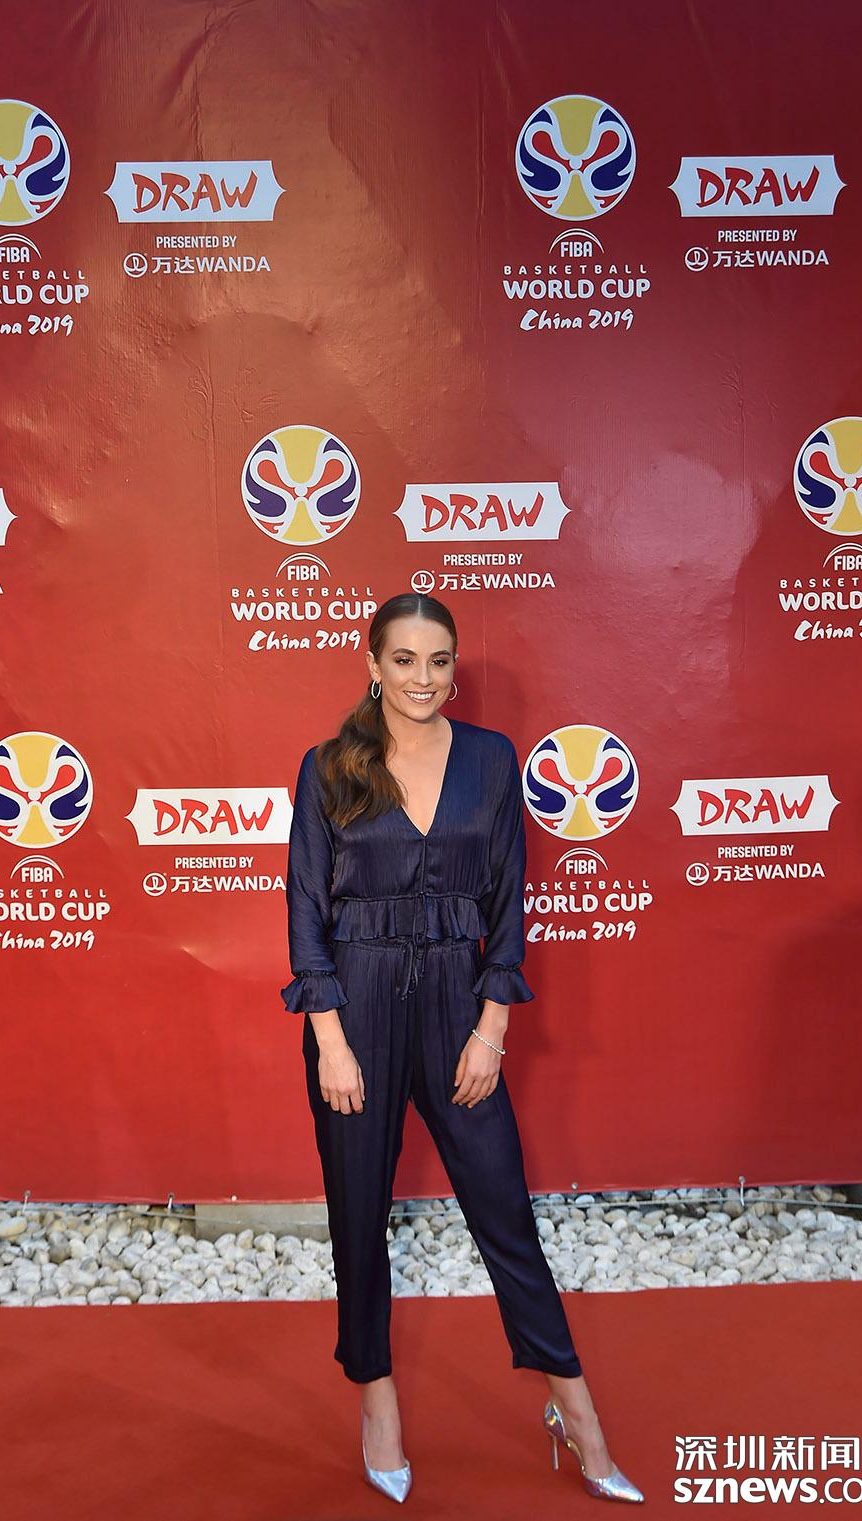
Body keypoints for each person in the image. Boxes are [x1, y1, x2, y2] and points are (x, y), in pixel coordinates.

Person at [280, 592, 643, 1505]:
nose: (423, 678)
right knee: (358, 1217)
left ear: (454, 668)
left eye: (439, 661)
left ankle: (577, 1411)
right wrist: (330, 1041)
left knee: (506, 1213)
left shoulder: (491, 759)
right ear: (372, 664)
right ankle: (379, 1403)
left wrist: (491, 1028)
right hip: (356, 1008)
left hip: (456, 1003)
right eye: (403, 659)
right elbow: (305, 912)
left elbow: (509, 901)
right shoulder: (328, 766)